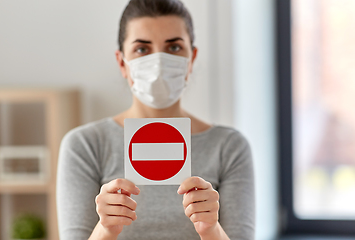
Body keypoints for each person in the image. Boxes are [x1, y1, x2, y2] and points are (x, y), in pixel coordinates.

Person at [56, 0, 255, 239]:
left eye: (173, 48)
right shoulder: (85, 145)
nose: (158, 63)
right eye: (142, 49)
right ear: (122, 62)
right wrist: (106, 229)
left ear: (191, 58)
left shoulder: (228, 147)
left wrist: (211, 229)